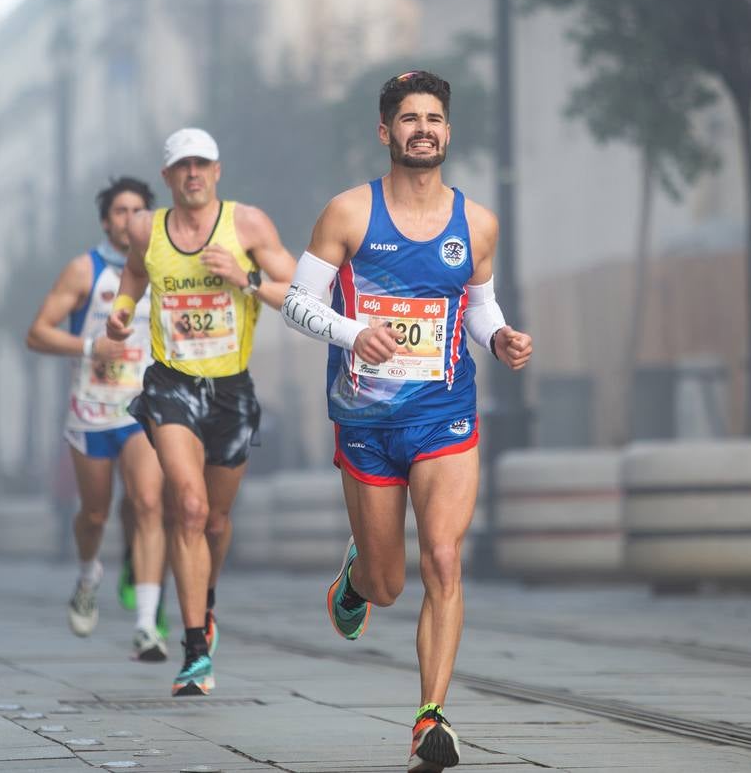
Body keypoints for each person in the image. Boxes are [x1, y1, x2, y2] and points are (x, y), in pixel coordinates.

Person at [280, 71, 533, 772]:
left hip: (444, 411)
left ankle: (430, 718)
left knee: (444, 558)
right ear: (385, 131)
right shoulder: (347, 214)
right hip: (365, 419)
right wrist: (349, 332)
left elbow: (477, 305)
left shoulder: (476, 222)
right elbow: (296, 303)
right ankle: (356, 578)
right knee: (390, 584)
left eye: (434, 118)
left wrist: (500, 336)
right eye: (409, 118)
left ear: (447, 132)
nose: (423, 128)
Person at [106, 127, 296, 696]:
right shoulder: (147, 229)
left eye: (202, 164)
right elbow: (136, 274)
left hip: (231, 391)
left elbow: (300, 290)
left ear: (217, 171)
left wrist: (246, 278)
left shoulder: (249, 226)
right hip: (172, 385)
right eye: (182, 166)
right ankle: (194, 652)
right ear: (166, 178)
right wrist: (121, 309)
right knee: (186, 507)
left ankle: (204, 601)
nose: (192, 173)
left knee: (214, 518)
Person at [27, 177, 170, 660]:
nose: (129, 219)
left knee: (150, 502)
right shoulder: (83, 271)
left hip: (142, 406)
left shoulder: (163, 263)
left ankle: (147, 624)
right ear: (106, 220)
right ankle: (88, 575)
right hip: (91, 410)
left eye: (138, 210)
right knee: (94, 513)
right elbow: (38, 333)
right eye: (119, 211)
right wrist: (91, 346)